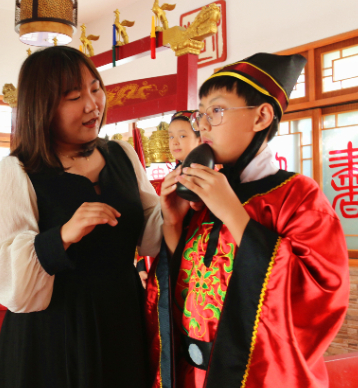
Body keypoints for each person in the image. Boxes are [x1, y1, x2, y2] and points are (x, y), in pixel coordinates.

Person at [145, 53, 349, 388]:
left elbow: (316, 297)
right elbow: (179, 287)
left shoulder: (298, 196)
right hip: (192, 375)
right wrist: (172, 224)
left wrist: (232, 213)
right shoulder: (206, 193)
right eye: (202, 114)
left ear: (261, 117)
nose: (204, 124)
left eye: (217, 110)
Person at [0, 46, 162, 388]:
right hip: (52, 335)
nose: (93, 104)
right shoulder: (16, 171)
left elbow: (150, 231)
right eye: (75, 96)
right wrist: (60, 236)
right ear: (43, 107)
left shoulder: (121, 155)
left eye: (95, 88)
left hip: (122, 320)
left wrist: (178, 204)